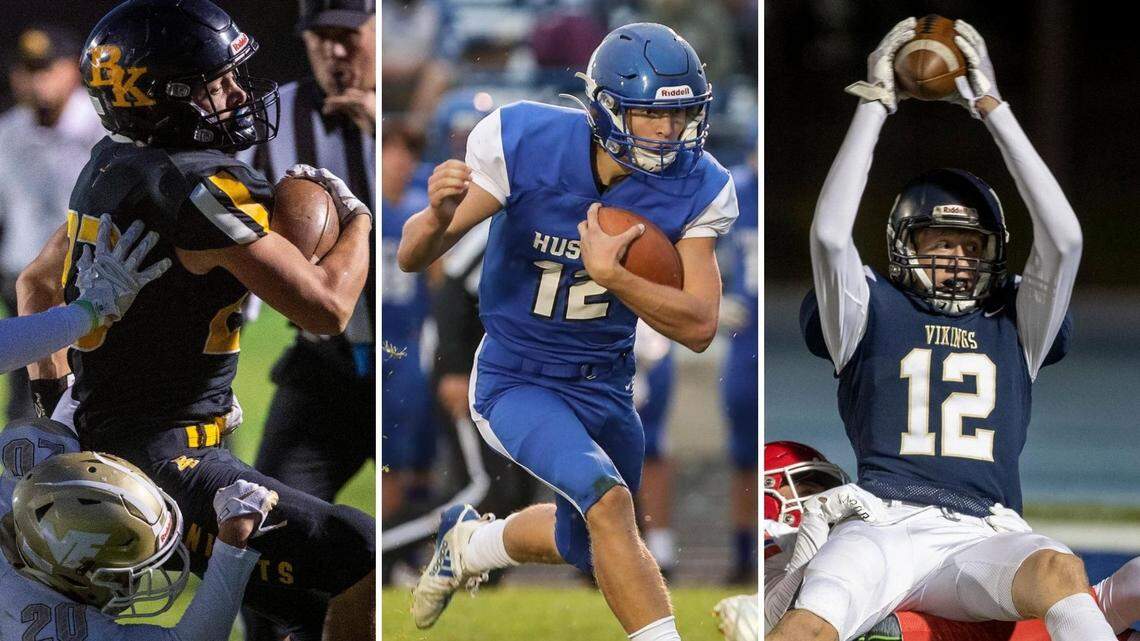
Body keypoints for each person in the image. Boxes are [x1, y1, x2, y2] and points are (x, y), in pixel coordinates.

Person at [17, 2, 374, 639]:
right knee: (362, 555)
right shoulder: (197, 188)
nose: (235, 94)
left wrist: (56, 415)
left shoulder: (110, 162)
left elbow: (36, 284)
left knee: (299, 605)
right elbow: (326, 308)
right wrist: (359, 221)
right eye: (216, 83)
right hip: (170, 465)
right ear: (164, 98)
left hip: (111, 443)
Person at [399, 22, 739, 641]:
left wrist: (617, 277)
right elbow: (412, 256)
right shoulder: (526, 141)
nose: (668, 131)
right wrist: (436, 216)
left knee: (585, 541)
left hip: (606, 383)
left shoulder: (700, 182)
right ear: (605, 108)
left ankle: (470, 544)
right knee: (609, 503)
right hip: (517, 377)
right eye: (650, 114)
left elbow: (699, 325)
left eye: (680, 114)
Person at [770, 20, 1092, 640]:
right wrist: (875, 103)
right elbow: (830, 236)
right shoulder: (869, 308)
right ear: (904, 246)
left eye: (971, 246)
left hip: (984, 532)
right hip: (882, 523)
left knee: (1059, 570)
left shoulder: (1014, 318)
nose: (958, 259)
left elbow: (1066, 239)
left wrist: (993, 108)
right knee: (809, 623)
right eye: (941, 243)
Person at [239, 1, 376, 636]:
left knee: (413, 532)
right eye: (320, 38)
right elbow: (233, 231)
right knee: (259, 535)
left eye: (348, 36)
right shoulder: (276, 117)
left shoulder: (416, 117)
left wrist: (380, 135)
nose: (335, 52)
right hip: (325, 365)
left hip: (408, 364)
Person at [762, 440, 1140, 641]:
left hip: (980, 618)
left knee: (1077, 587)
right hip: (919, 626)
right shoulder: (768, 549)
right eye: (807, 489)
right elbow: (778, 619)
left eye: (822, 488)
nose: (818, 497)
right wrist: (815, 523)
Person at [0, 417, 278, 640]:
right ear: (74, 572)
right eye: (122, 575)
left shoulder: (40, 472)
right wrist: (232, 541)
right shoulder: (41, 622)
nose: (137, 580)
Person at [0, 25, 108, 419]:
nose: (36, 82)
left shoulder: (105, 127)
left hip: (94, 280)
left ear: (72, 70)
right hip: (23, 279)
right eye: (27, 71)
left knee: (106, 389)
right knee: (29, 400)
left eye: (47, 69)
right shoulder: (8, 131)